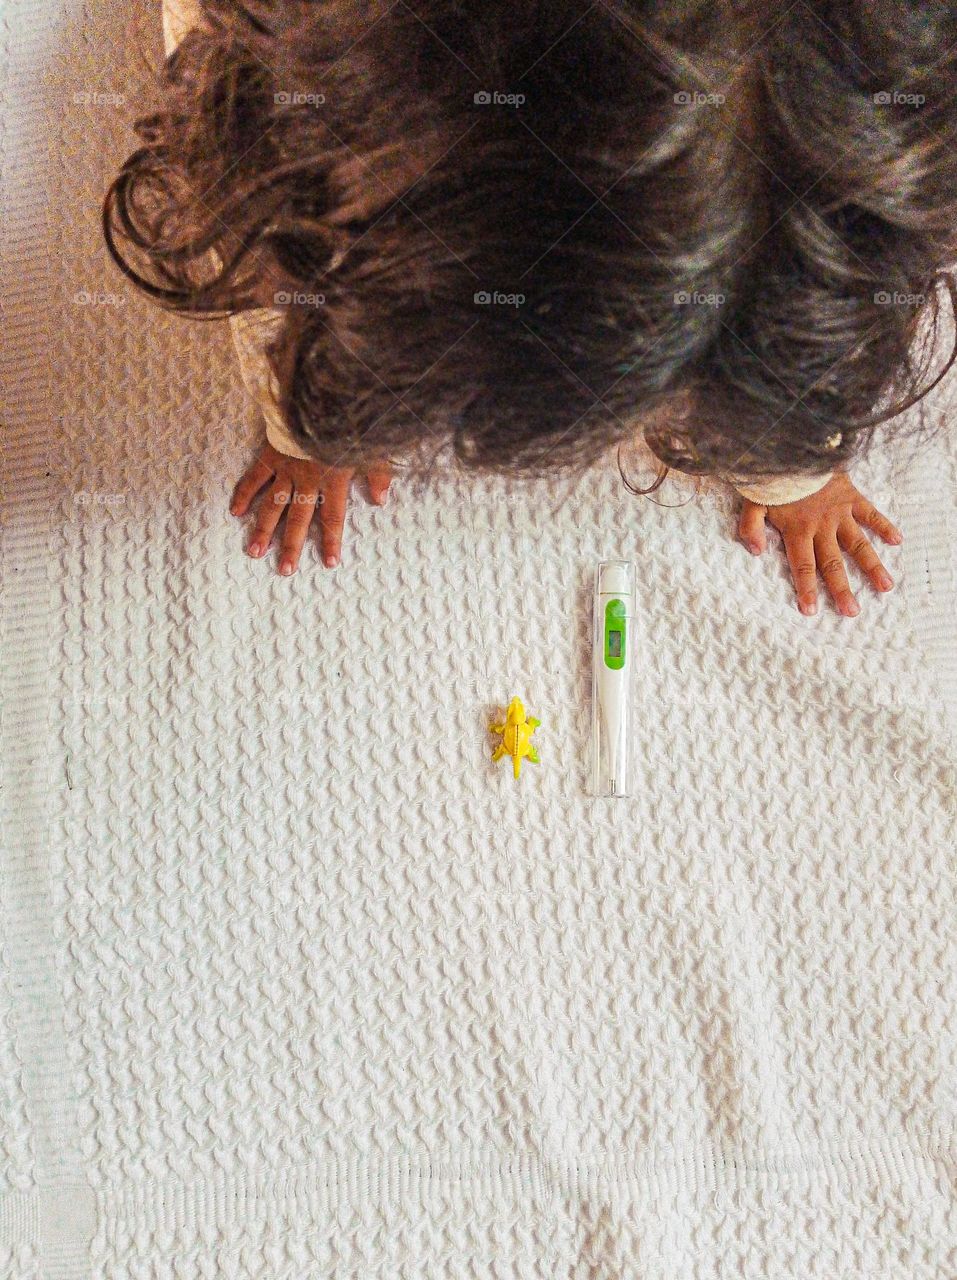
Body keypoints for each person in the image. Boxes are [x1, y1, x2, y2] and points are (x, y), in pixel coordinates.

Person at [103, 0, 957, 616]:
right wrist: (315, 407)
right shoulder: (274, 51)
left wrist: (786, 451)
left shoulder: (902, 102)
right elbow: (265, 229)